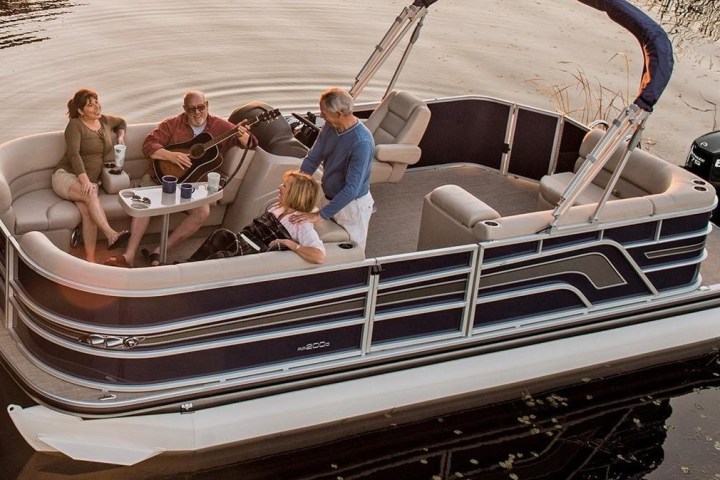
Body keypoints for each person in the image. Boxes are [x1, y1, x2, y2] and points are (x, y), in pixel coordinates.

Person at [105, 90, 255, 267]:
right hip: (159, 177)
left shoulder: (221, 126)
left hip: (191, 184)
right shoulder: (172, 124)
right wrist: (170, 156)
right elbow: (148, 144)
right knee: (143, 202)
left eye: (200, 107)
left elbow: (252, 143)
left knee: (203, 212)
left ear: (207, 106)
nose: (197, 112)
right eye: (191, 109)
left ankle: (159, 251)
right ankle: (129, 255)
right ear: (185, 109)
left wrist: (243, 135)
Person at [52, 88, 130, 263]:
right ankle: (111, 235)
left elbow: (122, 122)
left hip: (88, 181)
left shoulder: (105, 121)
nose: (96, 107)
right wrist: (85, 180)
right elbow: (74, 154)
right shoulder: (75, 125)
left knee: (88, 214)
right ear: (80, 111)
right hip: (66, 176)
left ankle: (90, 260)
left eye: (96, 102)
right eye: (90, 105)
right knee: (91, 193)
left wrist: (120, 137)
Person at [291, 87, 374, 251]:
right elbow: (313, 158)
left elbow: (351, 189)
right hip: (329, 196)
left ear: (340, 113)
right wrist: (297, 185)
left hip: (352, 207)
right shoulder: (329, 127)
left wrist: (319, 215)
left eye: (324, 112)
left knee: (352, 252)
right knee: (326, 247)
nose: (321, 116)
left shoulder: (361, 142)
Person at [188, 170, 325, 264]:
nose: (279, 187)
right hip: (244, 242)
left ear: (296, 194)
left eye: (284, 186)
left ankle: (191, 276)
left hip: (255, 257)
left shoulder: (300, 223)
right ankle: (187, 267)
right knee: (221, 235)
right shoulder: (276, 208)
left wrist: (292, 245)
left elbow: (319, 256)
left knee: (221, 257)